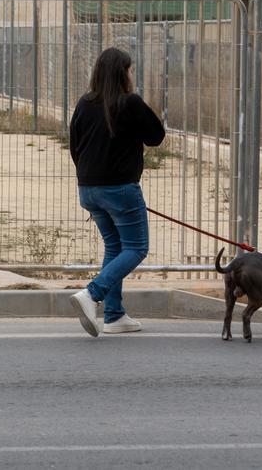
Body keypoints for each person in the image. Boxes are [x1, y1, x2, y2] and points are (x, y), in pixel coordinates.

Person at [68, 47, 165, 337]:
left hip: (88, 189)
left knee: (115, 247)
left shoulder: (84, 103)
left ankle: (114, 315)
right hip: (120, 189)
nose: (132, 74)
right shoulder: (129, 102)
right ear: (122, 73)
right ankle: (92, 294)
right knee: (137, 248)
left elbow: (75, 145)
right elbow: (156, 137)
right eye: (130, 69)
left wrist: (92, 179)